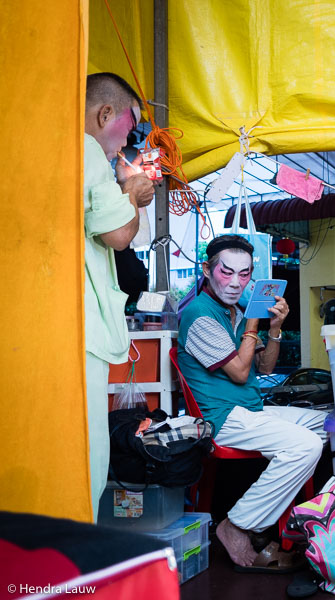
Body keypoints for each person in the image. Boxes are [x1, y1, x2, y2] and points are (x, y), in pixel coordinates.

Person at [177, 235, 326, 570]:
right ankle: (238, 525)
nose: (234, 282)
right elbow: (242, 373)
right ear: (207, 269)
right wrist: (254, 322)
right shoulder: (200, 316)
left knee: (330, 423)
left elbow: (267, 367)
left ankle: (306, 510)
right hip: (222, 419)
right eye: (226, 272)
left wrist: (274, 327)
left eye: (244, 275)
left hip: (250, 411)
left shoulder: (236, 311)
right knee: (305, 446)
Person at [84, 72, 155, 520]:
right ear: (105, 113)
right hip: (81, 331)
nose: (126, 143)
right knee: (88, 458)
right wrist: (130, 192)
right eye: (127, 130)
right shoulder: (87, 148)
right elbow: (117, 234)